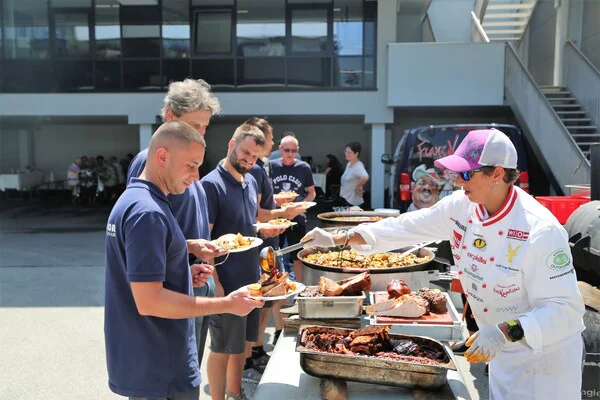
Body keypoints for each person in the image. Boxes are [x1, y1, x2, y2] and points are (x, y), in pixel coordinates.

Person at [303, 128, 586, 400]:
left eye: (466, 173)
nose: (458, 181)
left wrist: (504, 331)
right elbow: (405, 226)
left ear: (498, 174)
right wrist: (340, 237)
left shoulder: (540, 230)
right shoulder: (462, 206)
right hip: (501, 354)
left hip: (545, 362)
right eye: (456, 173)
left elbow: (565, 310)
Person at [104, 121, 264, 400]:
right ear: (162, 156)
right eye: (191, 165)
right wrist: (227, 304)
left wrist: (182, 272)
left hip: (150, 361)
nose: (196, 176)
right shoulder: (148, 213)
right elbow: (150, 301)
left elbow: (138, 273)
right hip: (161, 365)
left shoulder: (137, 199)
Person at [127, 78, 223, 371]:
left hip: (194, 279)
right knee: (177, 375)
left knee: (190, 370)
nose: (200, 133)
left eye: (205, 127)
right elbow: (146, 236)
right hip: (174, 290)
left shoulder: (186, 162)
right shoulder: (151, 163)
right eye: (194, 125)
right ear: (170, 116)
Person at [201, 124, 283, 400]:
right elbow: (205, 240)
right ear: (231, 144)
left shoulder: (250, 182)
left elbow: (247, 226)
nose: (249, 160)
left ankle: (235, 394)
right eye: (245, 152)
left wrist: (263, 230)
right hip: (226, 283)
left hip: (251, 281)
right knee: (222, 348)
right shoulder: (211, 184)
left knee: (242, 347)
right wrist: (216, 284)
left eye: (255, 156)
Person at [245, 117, 305, 370]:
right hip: (263, 243)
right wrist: (283, 213)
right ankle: (254, 351)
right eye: (271, 139)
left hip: (269, 240)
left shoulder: (261, 167)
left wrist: (279, 206)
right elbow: (257, 211)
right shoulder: (256, 169)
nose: (273, 143)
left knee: (272, 298)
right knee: (265, 299)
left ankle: (261, 345)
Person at [271, 135, 316, 283]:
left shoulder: (303, 168)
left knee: (298, 255)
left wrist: (300, 207)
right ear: (280, 149)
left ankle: (300, 287)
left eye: (294, 150)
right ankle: (275, 286)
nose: (290, 154)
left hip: (297, 218)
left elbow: (311, 193)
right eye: (287, 150)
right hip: (276, 218)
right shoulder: (272, 166)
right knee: (274, 254)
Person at [339, 142, 369, 208]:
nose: (346, 154)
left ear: (356, 154)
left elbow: (365, 177)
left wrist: (357, 186)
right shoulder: (349, 163)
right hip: (346, 198)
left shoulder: (358, 166)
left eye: (349, 152)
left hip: (353, 202)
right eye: (346, 151)